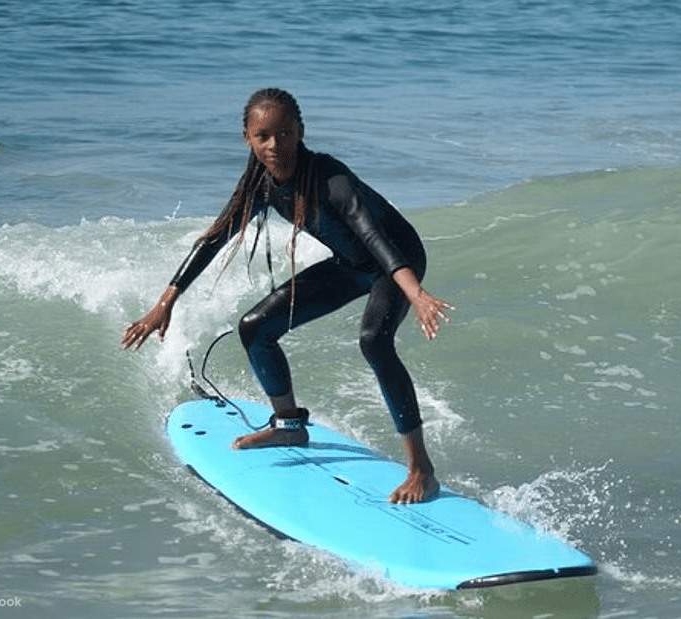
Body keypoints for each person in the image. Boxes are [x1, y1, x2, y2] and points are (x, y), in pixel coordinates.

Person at [121, 88, 452, 504]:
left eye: (285, 134)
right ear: (248, 138)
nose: (275, 145)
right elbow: (213, 240)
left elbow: (373, 235)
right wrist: (164, 303)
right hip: (352, 264)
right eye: (264, 136)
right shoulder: (259, 185)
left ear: (300, 133)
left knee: (374, 341)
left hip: (397, 260)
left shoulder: (331, 179)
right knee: (256, 328)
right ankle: (289, 426)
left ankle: (422, 469)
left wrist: (415, 293)